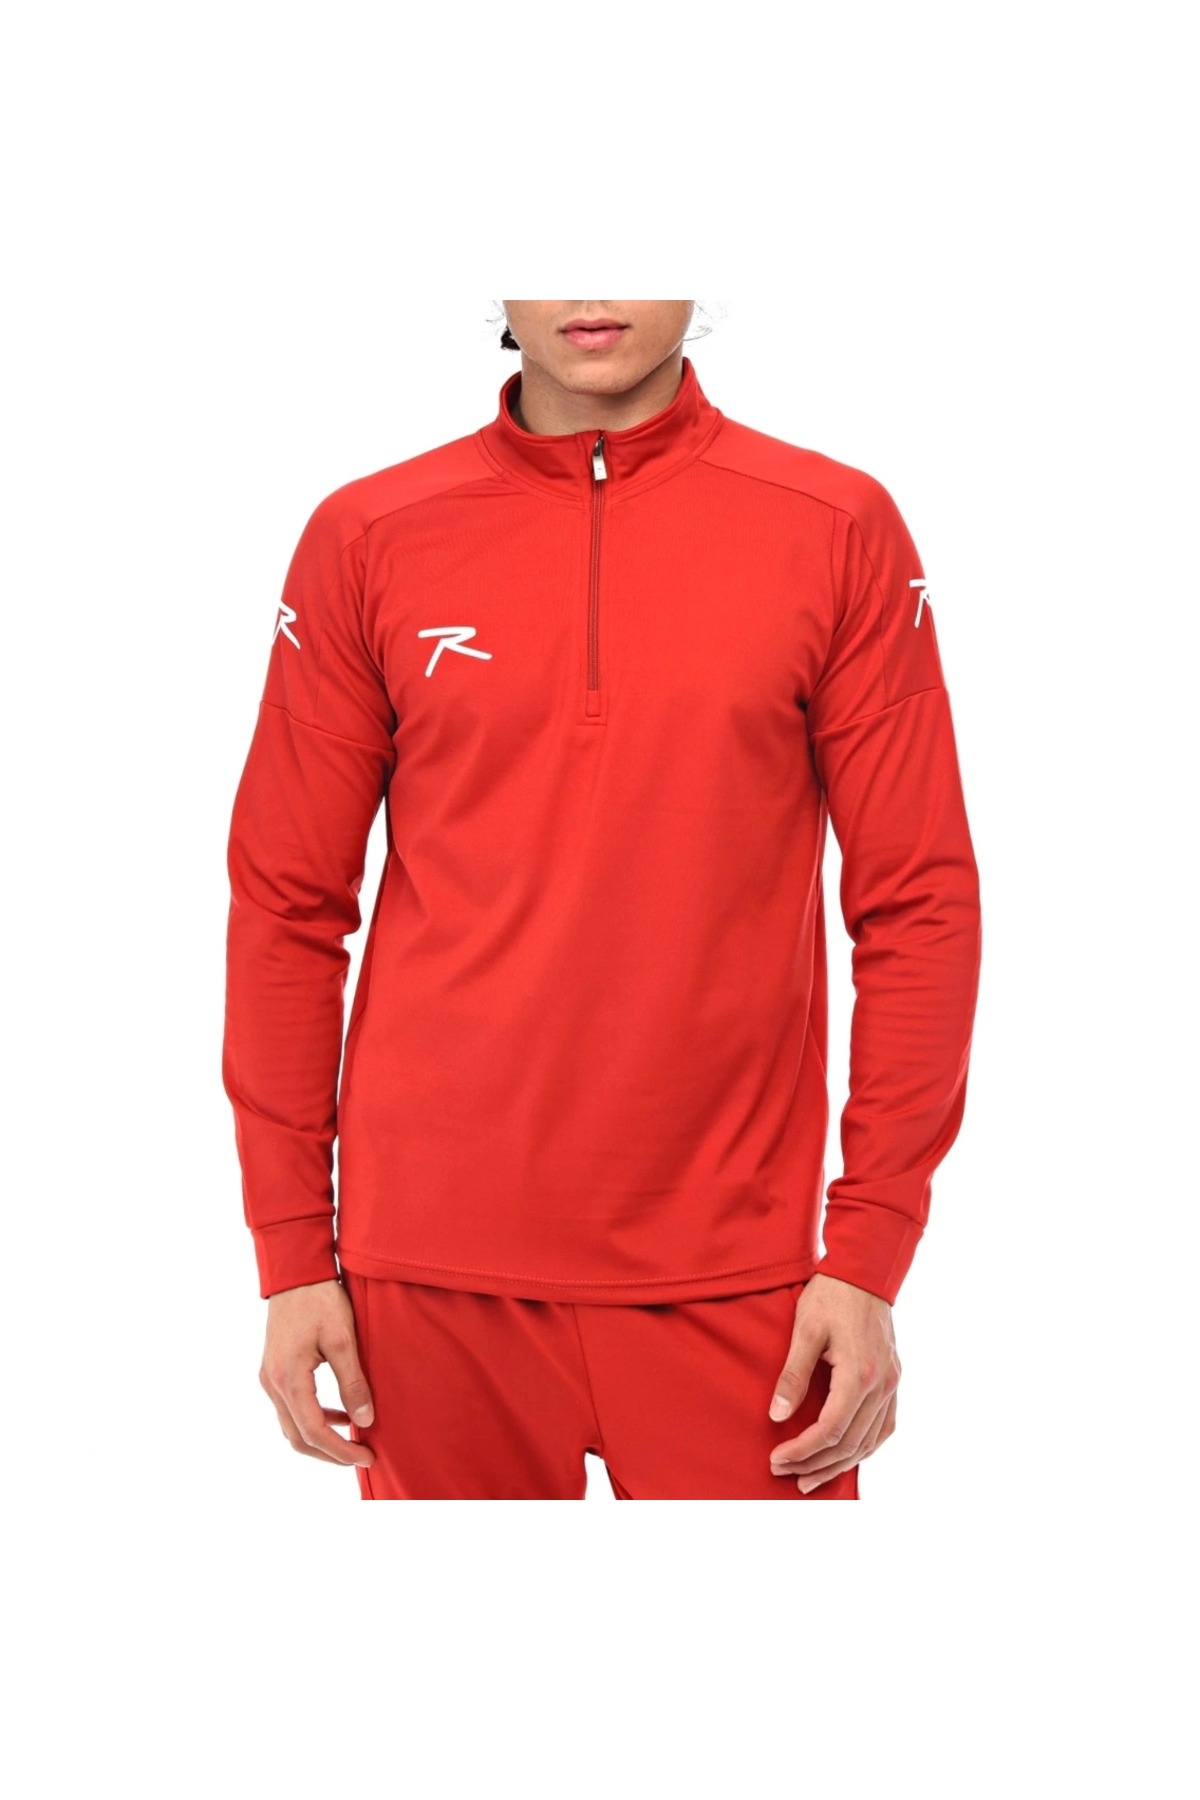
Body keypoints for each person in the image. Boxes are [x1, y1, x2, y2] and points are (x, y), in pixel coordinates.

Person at [223, 301, 981, 1500]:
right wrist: (290, 1250)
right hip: (424, 1276)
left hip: (746, 1274)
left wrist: (870, 1251)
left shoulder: (836, 525)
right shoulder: (369, 534)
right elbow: (286, 901)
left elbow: (918, 902)